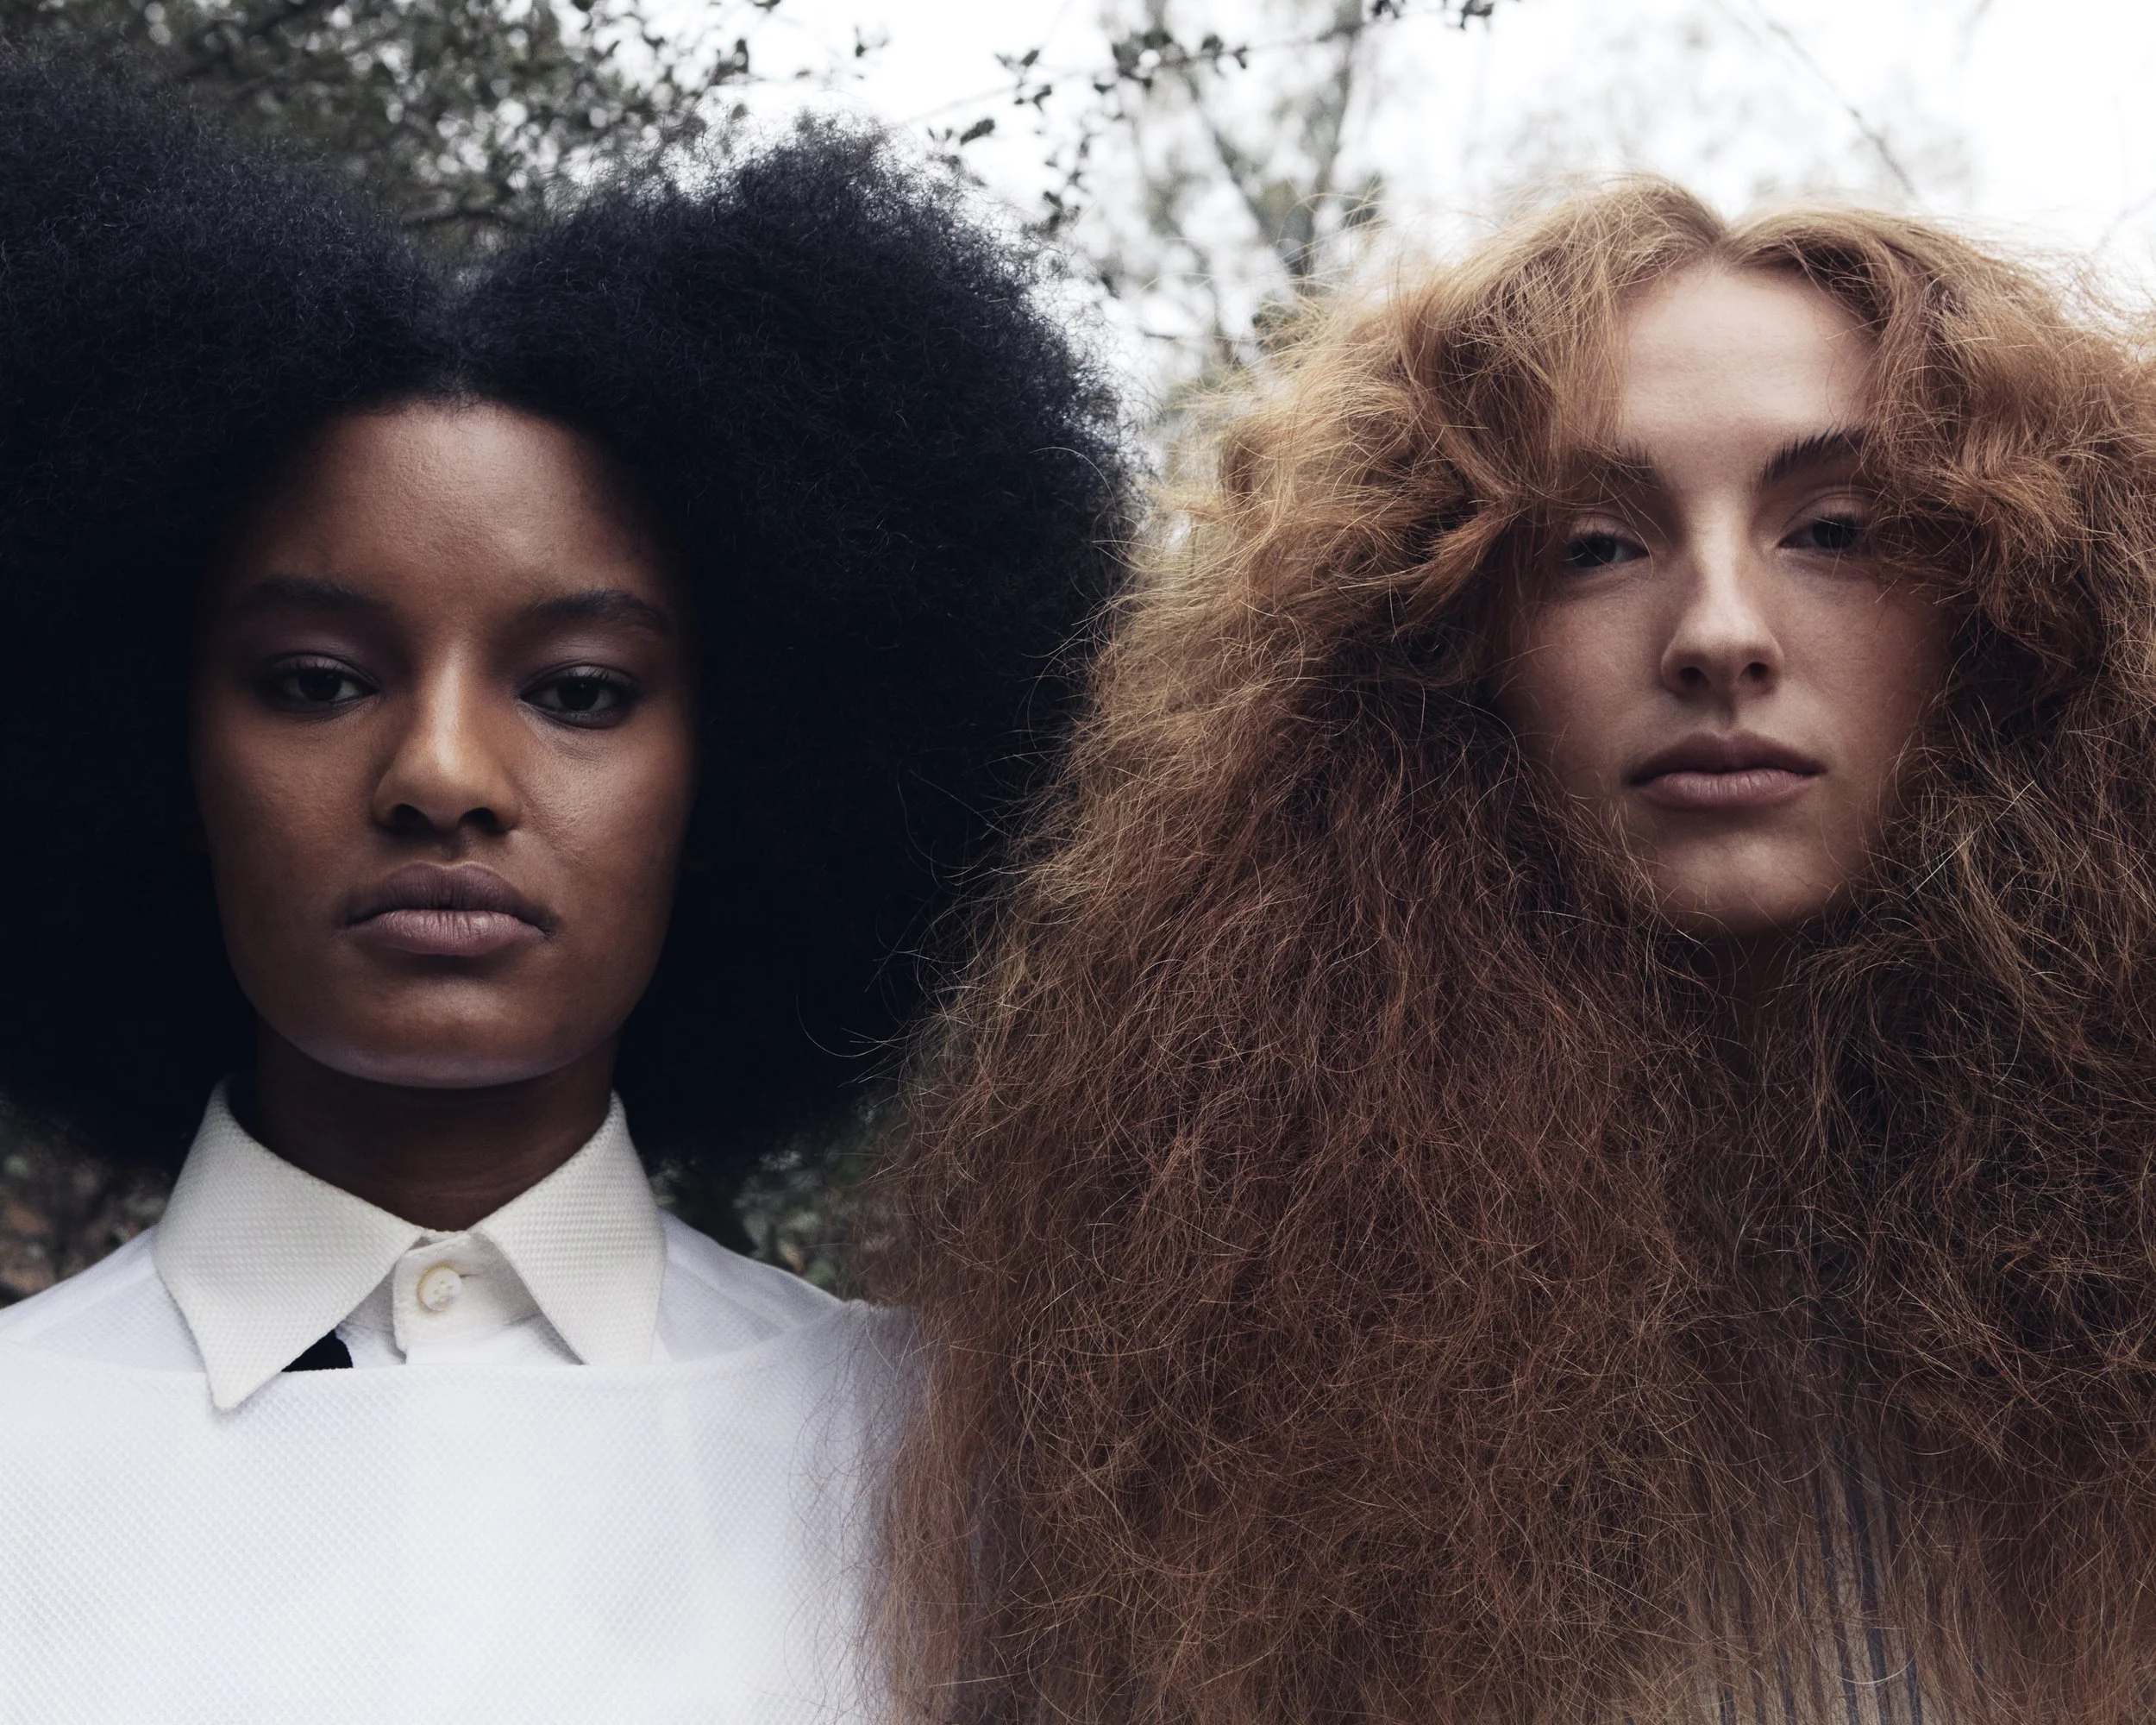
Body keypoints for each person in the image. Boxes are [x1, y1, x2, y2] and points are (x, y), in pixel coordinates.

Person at [870, 181, 2156, 1724]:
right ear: (1442, 647)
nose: (1720, 631)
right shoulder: (1198, 1375)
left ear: (2017, 604)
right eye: (1597, 546)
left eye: (1838, 530)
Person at [0, 51, 1124, 1719]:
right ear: (138, 748)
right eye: (314, 679)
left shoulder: (955, 1486)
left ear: (734, 774)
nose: (441, 773)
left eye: (582, 689)